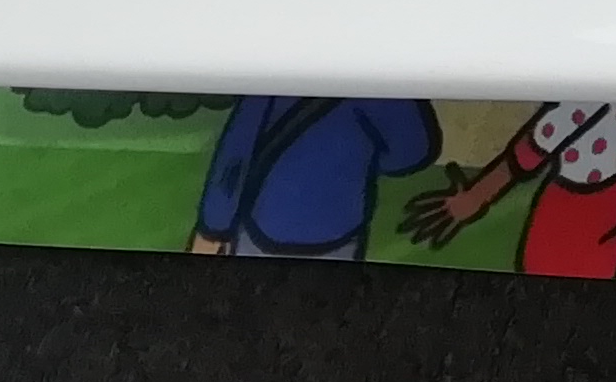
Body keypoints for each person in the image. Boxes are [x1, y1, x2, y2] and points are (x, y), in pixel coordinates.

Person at [400, 100, 616, 277]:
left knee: (545, 268)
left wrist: (476, 197)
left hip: (569, 209)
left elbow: (530, 151)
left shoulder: (586, 101)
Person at [185, 95, 439, 260]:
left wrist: (213, 229)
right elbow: (412, 151)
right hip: (337, 228)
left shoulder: (273, 74)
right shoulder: (380, 85)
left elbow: (236, 156)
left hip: (264, 225)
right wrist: (361, 161)